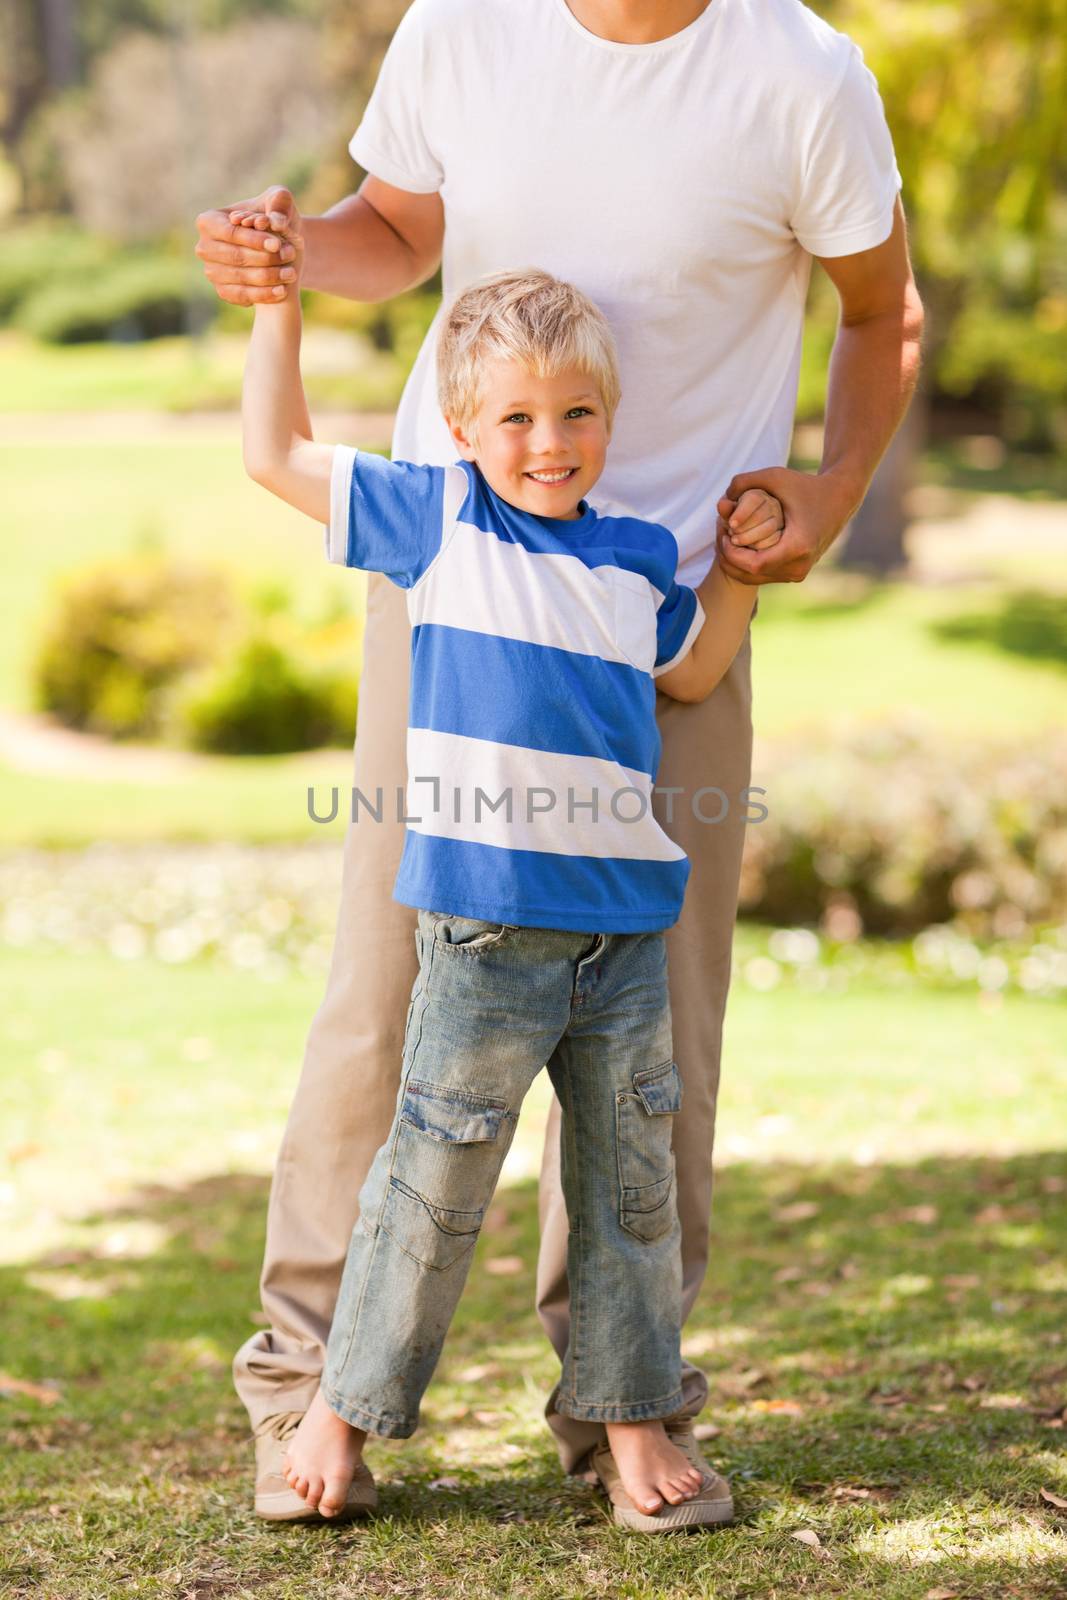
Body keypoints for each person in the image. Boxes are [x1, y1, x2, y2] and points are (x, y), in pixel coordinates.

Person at [195, 0, 923, 1520]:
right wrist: (287, 264)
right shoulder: (463, 26)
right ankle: (308, 1392)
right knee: (386, 991)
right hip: (456, 605)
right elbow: (390, 232)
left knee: (653, 1044)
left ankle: (621, 1405)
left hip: (665, 614)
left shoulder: (800, 73)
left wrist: (824, 489)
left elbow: (879, 312)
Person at [241, 259, 784, 1528]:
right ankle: (340, 1405)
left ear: (608, 415)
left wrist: (747, 571)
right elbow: (275, 453)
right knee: (430, 1190)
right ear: (463, 427)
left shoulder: (637, 559)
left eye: (576, 414)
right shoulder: (435, 523)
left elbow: (694, 672)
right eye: (517, 418)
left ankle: (630, 1416)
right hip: (485, 941)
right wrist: (280, 306)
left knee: (626, 1193)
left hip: (624, 939)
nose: (549, 443)